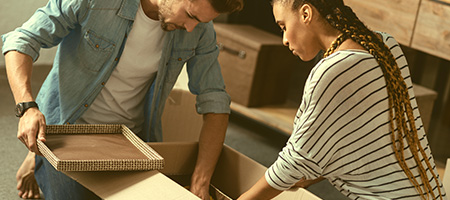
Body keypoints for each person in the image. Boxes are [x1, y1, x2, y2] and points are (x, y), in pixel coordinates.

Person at [2, 0, 243, 199]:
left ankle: (36, 160)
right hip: (67, 135)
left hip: (132, 140)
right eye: (190, 15)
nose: (191, 28)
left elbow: (216, 103)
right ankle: (38, 158)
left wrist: (200, 182)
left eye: (200, 21)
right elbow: (22, 39)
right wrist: (27, 108)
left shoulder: (199, 30)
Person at [238, 0, 447, 199]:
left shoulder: (332, 71)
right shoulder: (386, 45)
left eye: (283, 26)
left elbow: (294, 161)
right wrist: (311, 173)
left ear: (305, 14)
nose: (284, 39)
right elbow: (364, 139)